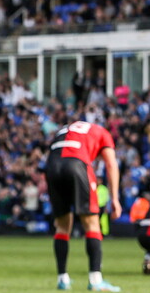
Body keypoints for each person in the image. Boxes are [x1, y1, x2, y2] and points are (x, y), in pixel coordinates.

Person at [45, 120, 122, 291]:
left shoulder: (64, 129)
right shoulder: (102, 132)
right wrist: (115, 198)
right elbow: (111, 164)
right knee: (92, 224)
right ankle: (95, 280)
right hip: (76, 164)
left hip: (52, 167)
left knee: (62, 226)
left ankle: (62, 279)